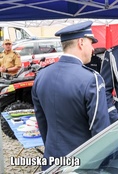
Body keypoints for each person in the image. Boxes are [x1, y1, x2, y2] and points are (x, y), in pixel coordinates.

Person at [31, 21, 110, 171]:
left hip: (51, 159)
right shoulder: (91, 79)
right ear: (81, 42)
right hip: (82, 162)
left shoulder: (41, 75)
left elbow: (42, 122)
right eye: (90, 43)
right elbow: (100, 132)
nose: (92, 48)